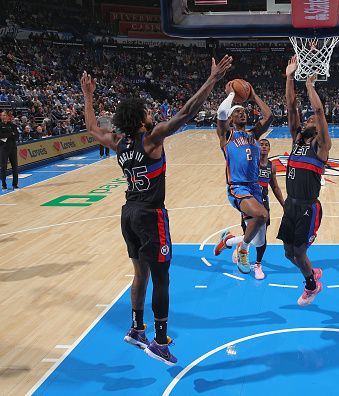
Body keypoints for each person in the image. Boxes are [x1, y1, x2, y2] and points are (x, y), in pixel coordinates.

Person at [79, 55, 232, 366]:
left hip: (128, 213)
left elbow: (92, 127)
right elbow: (187, 112)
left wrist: (88, 96)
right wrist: (212, 79)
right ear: (140, 120)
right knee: (162, 278)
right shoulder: (151, 140)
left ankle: (137, 329)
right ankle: (160, 342)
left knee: (140, 273)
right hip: (151, 215)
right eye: (147, 112)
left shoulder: (118, 143)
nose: (152, 113)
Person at [278, 56, 331, 306]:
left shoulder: (322, 147)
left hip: (309, 206)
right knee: (289, 253)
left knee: (299, 252)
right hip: (291, 204)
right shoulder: (297, 141)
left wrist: (310, 86)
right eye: (307, 120)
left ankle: (312, 285)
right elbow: (291, 107)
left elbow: (318, 111)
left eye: (312, 120)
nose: (308, 119)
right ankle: (311, 273)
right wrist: (290, 77)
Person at [212, 81, 273, 274]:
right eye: (237, 112)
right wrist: (231, 95)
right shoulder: (226, 135)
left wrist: (253, 95)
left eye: (244, 111)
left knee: (259, 239)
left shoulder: (253, 134)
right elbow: (221, 113)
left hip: (255, 188)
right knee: (262, 214)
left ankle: (228, 240)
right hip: (238, 187)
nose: (242, 113)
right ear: (230, 118)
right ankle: (243, 251)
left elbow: (269, 116)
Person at [233, 138, 284, 279]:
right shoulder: (251, 163)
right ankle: (238, 247)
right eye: (261, 144)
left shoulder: (271, 166)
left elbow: (275, 187)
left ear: (269, 149)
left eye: (266, 145)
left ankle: (258, 264)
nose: (264, 147)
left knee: (261, 238)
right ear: (256, 147)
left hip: (263, 204)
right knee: (248, 235)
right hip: (249, 202)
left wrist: (283, 204)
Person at [0, 111, 19, 191]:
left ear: (8, 116)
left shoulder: (13, 125)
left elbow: (17, 136)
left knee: (15, 167)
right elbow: (1, 135)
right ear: (0, 117)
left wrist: (8, 135)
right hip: (3, 149)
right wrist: (11, 134)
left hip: (13, 148)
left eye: (5, 115)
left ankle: (15, 185)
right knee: (3, 167)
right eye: (2, 115)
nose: (4, 117)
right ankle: (4, 184)